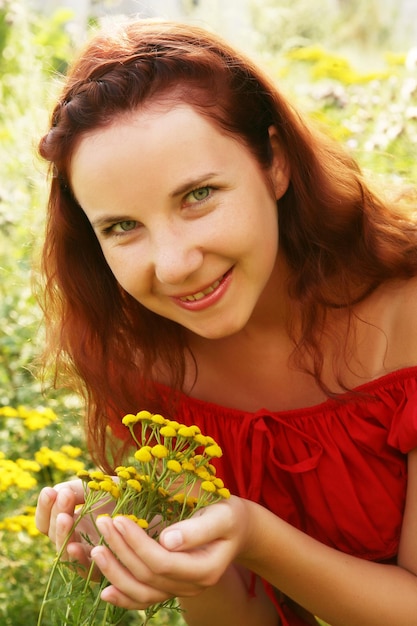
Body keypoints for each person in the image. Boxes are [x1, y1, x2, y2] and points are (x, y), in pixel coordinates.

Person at [34, 18, 417, 626]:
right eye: (122, 227)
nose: (174, 265)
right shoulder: (145, 357)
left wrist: (256, 538)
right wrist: (159, 546)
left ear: (276, 163)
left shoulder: (410, 319)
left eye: (198, 195)